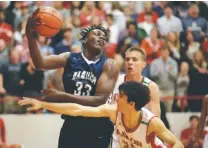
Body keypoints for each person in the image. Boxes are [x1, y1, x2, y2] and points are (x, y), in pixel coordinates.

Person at [26, 8, 120, 148]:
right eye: (97, 34)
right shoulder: (69, 58)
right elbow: (40, 64)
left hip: (97, 127)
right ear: (85, 38)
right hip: (71, 124)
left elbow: (98, 100)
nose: (102, 37)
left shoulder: (110, 64)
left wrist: (62, 96)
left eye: (104, 37)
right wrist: (30, 34)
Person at [19, 81, 184, 148]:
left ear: (132, 104)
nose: (116, 98)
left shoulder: (151, 123)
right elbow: (77, 109)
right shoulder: (114, 111)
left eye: (121, 97)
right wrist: (43, 104)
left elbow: (178, 144)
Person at [107, 47, 161, 147]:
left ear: (144, 64)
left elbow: (155, 120)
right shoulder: (114, 81)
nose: (130, 62)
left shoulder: (151, 87)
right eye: (127, 59)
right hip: (116, 133)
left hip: (140, 135)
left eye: (134, 59)